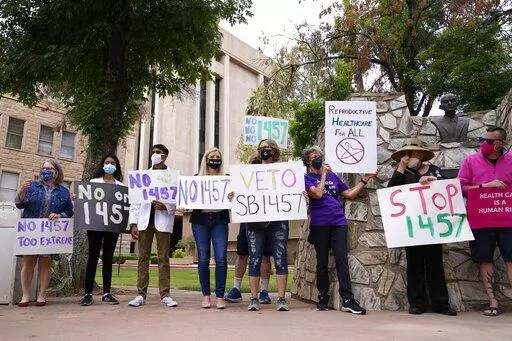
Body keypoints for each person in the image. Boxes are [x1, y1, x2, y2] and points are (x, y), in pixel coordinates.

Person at [388, 138, 457, 316]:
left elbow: (444, 189)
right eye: (406, 154)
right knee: (415, 265)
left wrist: (432, 181)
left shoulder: (435, 170)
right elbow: (391, 193)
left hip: (433, 226)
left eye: (413, 153)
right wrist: (402, 167)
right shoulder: (402, 173)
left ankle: (441, 304)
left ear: (421, 155)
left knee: (436, 265)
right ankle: (416, 303)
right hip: (413, 228)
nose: (410, 157)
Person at [302, 146, 372, 314]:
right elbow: (317, 194)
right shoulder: (306, 178)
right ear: (308, 162)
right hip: (320, 224)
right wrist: (324, 174)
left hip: (339, 222)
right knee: (322, 263)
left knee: (342, 261)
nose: (319, 158)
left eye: (320, 155)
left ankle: (348, 299)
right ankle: (323, 297)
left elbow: (348, 194)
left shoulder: (334, 177)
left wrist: (364, 180)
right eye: (314, 157)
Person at [458, 126, 512, 316]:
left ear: (501, 143)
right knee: (485, 259)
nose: (484, 144)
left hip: (508, 220)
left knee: (511, 258)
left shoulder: (511, 160)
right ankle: (493, 301)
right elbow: (460, 187)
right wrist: (484, 186)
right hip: (481, 220)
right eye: (482, 140)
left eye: (488, 141)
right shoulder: (470, 161)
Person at [15, 160, 74, 307]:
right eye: (44, 168)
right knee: (28, 263)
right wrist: (22, 190)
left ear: (56, 172)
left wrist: (60, 215)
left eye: (49, 168)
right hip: (31, 231)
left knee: (45, 263)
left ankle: (41, 295)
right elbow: (19, 204)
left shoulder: (63, 191)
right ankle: (25, 296)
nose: (46, 170)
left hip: (50, 234)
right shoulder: (31, 186)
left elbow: (69, 211)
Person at [128, 144, 178, 307]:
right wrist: (133, 223)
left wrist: (167, 207)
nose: (155, 155)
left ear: (165, 156)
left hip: (162, 220)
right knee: (143, 258)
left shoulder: (172, 176)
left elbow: (177, 199)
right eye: (153, 152)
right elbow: (135, 201)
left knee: (163, 258)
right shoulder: (143, 176)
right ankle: (140, 294)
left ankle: (165, 295)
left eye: (159, 153)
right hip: (144, 220)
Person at [245, 139, 290, 312]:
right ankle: (254, 298)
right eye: (261, 148)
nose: (264, 150)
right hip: (256, 220)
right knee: (255, 258)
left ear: (274, 150)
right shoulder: (249, 172)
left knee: (280, 258)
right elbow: (243, 190)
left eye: (268, 147)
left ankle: (281, 298)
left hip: (279, 219)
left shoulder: (284, 171)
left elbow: (290, 190)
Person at [224, 153, 273, 305]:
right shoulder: (242, 181)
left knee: (265, 255)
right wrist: (231, 196)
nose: (255, 165)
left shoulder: (271, 179)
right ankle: (236, 289)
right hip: (246, 221)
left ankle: (264, 291)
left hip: (266, 221)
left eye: (258, 163)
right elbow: (233, 197)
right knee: (242, 254)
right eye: (252, 163)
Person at [189, 147, 232, 309]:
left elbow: (236, 199)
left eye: (218, 157)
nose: (215, 159)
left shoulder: (227, 179)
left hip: (220, 220)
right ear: (206, 160)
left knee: (221, 258)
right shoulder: (196, 179)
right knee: (203, 258)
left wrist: (231, 196)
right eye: (212, 156)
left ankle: (220, 296)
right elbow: (187, 198)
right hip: (200, 221)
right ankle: (206, 295)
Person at [80, 154, 124, 306]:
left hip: (112, 226)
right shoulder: (93, 182)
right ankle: (87, 293)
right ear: (102, 164)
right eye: (107, 162)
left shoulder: (121, 186)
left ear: (116, 166)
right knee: (93, 257)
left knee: (108, 258)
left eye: (112, 162)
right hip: (95, 225)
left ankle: (107, 293)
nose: (109, 164)